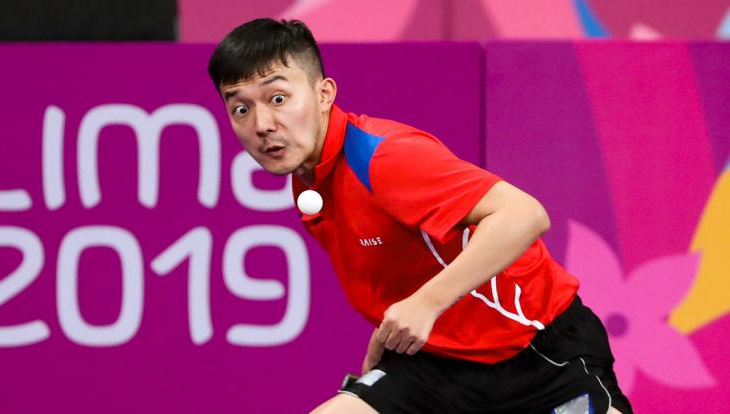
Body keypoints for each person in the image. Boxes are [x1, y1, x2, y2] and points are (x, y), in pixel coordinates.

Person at [207, 18, 633, 414]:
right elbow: (402, 261)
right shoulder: (310, 178)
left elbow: (524, 215)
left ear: (323, 94)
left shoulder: (382, 156)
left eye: (278, 98)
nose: (262, 123)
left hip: (537, 351)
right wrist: (390, 331)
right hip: (436, 365)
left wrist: (425, 304)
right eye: (241, 109)